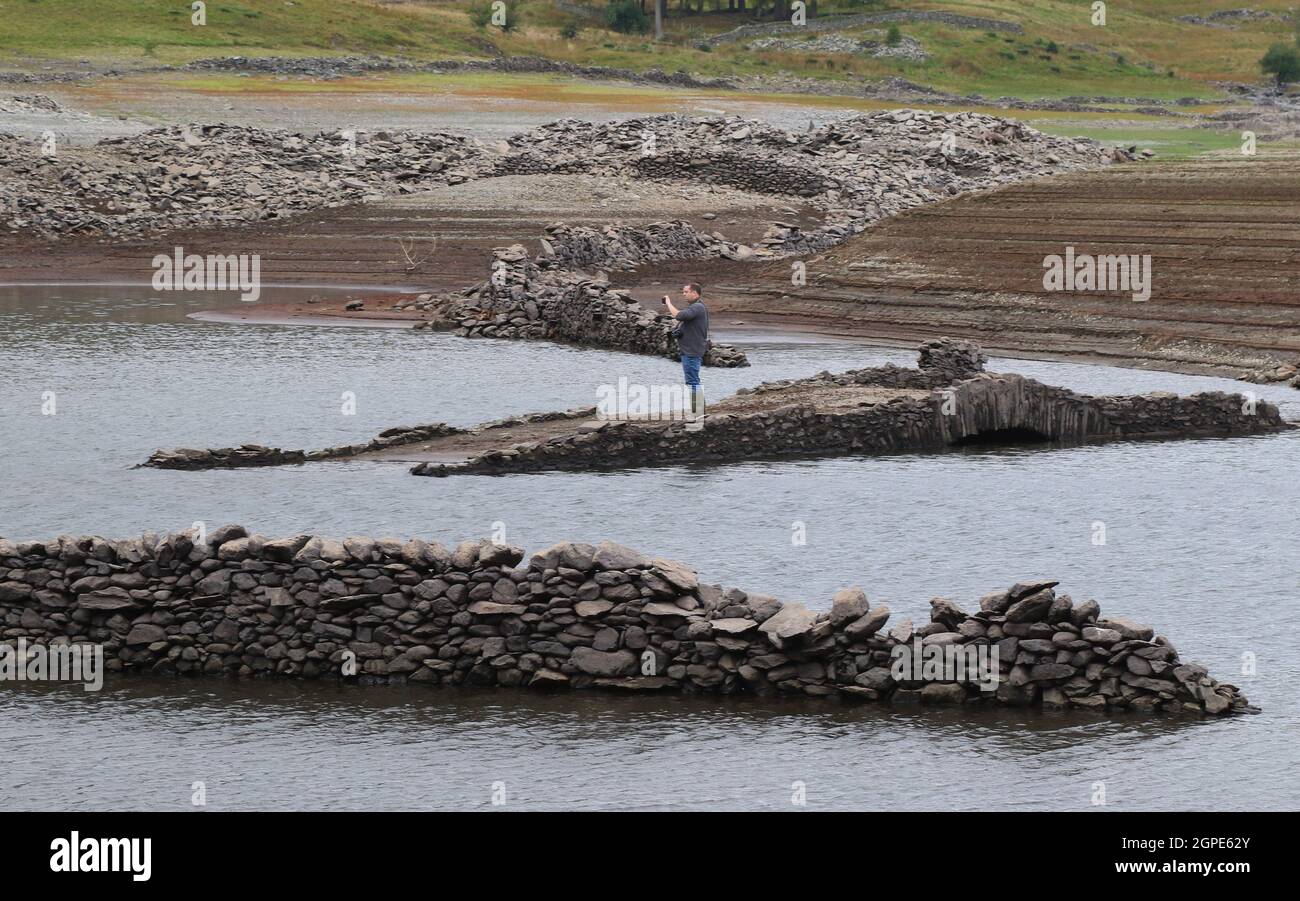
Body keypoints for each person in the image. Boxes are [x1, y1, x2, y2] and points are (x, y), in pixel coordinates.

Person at [663, 283, 708, 418]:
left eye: (686, 292)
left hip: (692, 351)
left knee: (693, 381)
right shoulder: (696, 307)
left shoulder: (697, 307)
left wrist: (668, 302)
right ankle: (699, 410)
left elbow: (678, 315)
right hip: (691, 350)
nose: (684, 294)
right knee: (692, 380)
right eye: (683, 292)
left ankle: (699, 412)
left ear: (695, 293)